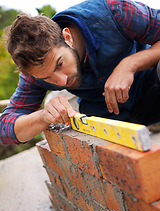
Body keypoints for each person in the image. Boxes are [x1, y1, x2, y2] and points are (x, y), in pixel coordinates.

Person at [1, 0, 160, 145]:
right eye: (47, 78)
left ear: (67, 37)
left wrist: (130, 64)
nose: (62, 82)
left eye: (59, 64)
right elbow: (5, 128)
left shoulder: (115, 11)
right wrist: (43, 116)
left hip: (152, 90)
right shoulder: (34, 72)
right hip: (111, 126)